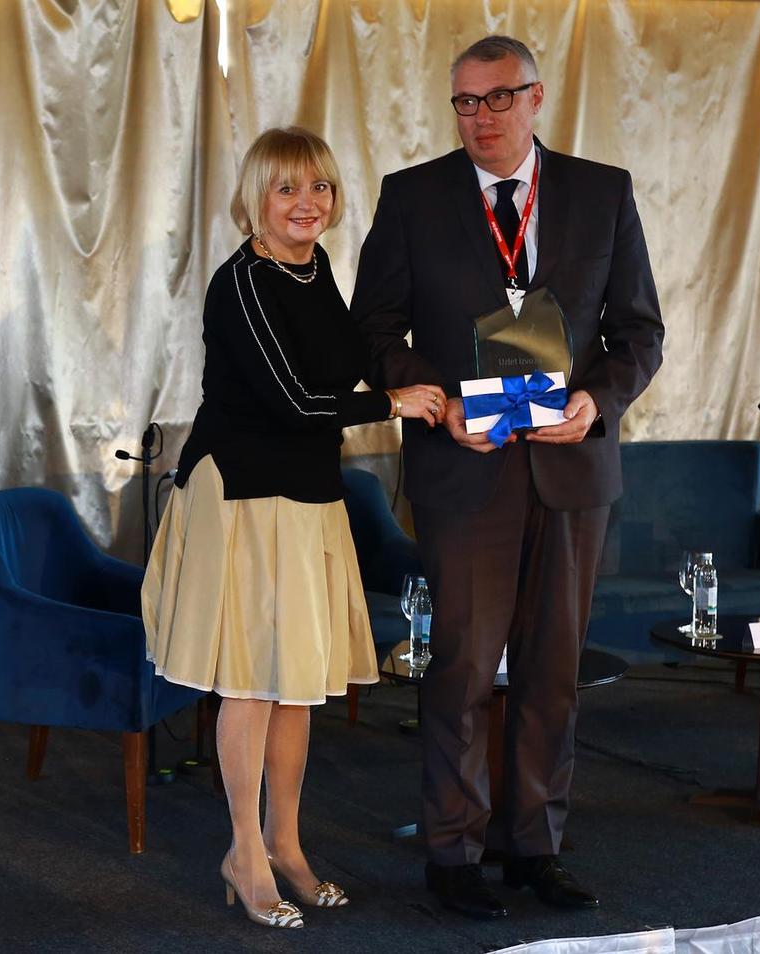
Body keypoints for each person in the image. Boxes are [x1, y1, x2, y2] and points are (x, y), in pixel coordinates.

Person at [353, 36, 665, 919]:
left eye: (497, 98)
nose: (480, 117)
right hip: (464, 468)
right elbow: (372, 327)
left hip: (571, 469)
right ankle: (453, 854)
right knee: (460, 671)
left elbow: (640, 332)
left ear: (535, 98)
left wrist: (597, 401)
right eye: (465, 101)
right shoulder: (412, 196)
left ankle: (535, 847)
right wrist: (439, 400)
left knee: (551, 672)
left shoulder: (603, 192)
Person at [142, 127, 446, 930]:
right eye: (287, 188)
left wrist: (441, 372)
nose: (307, 203)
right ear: (256, 198)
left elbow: (345, 368)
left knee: (296, 683)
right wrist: (394, 403)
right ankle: (243, 853)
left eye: (320, 187)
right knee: (250, 681)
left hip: (308, 493)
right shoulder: (242, 281)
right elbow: (295, 401)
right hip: (243, 495)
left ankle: (286, 842)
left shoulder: (316, 269)